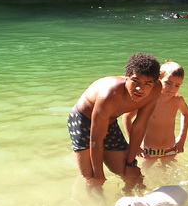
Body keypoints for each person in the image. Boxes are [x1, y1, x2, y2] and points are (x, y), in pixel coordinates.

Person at [68, 53, 161, 192]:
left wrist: (130, 163)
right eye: (135, 81)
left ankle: (131, 202)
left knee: (133, 175)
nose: (140, 89)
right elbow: (96, 139)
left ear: (154, 83)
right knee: (93, 179)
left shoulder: (156, 90)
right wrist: (99, 174)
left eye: (147, 84)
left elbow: (139, 126)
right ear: (127, 76)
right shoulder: (109, 95)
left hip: (109, 122)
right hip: (82, 120)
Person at [123, 61, 188, 169]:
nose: (172, 88)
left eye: (177, 85)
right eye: (168, 83)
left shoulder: (178, 100)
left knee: (170, 176)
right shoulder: (148, 99)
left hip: (171, 148)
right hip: (150, 149)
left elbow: (186, 113)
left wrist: (182, 138)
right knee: (146, 174)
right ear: (158, 80)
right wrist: (133, 144)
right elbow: (127, 118)